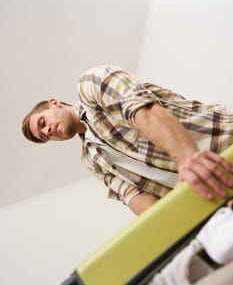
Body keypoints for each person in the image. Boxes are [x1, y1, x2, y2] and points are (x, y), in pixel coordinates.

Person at [22, 65, 233, 215]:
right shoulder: (91, 160)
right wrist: (165, 225)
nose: (48, 131)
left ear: (54, 103)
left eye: (43, 122)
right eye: (44, 136)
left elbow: (143, 111)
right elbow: (133, 195)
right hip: (213, 195)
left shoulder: (91, 85)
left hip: (225, 146)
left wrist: (189, 160)